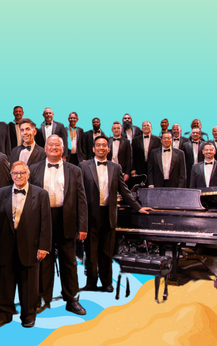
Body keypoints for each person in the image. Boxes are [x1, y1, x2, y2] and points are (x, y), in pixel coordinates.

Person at [80, 137, 150, 292]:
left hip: (109, 214)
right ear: (93, 149)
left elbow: (124, 191)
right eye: (98, 145)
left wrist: (138, 208)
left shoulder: (116, 167)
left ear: (108, 149)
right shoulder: (83, 166)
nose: (101, 147)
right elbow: (79, 192)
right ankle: (91, 282)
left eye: (104, 145)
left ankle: (106, 283)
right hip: (90, 215)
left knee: (106, 251)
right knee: (90, 251)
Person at [29, 135, 87, 315]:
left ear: (63, 149)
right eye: (50, 144)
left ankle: (71, 300)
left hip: (66, 219)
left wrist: (82, 226)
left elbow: (81, 199)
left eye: (57, 145)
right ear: (45, 148)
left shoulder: (74, 170)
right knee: (43, 261)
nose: (53, 147)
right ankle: (43, 299)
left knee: (69, 262)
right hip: (42, 220)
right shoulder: (33, 169)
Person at [0, 161, 50, 328]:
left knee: (29, 284)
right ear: (10, 175)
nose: (19, 176)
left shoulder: (41, 194)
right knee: (4, 282)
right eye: (15, 173)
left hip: (31, 246)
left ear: (28, 174)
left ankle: (28, 315)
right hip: (4, 246)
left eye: (22, 173)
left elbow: (46, 223)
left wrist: (43, 246)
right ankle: (4, 313)